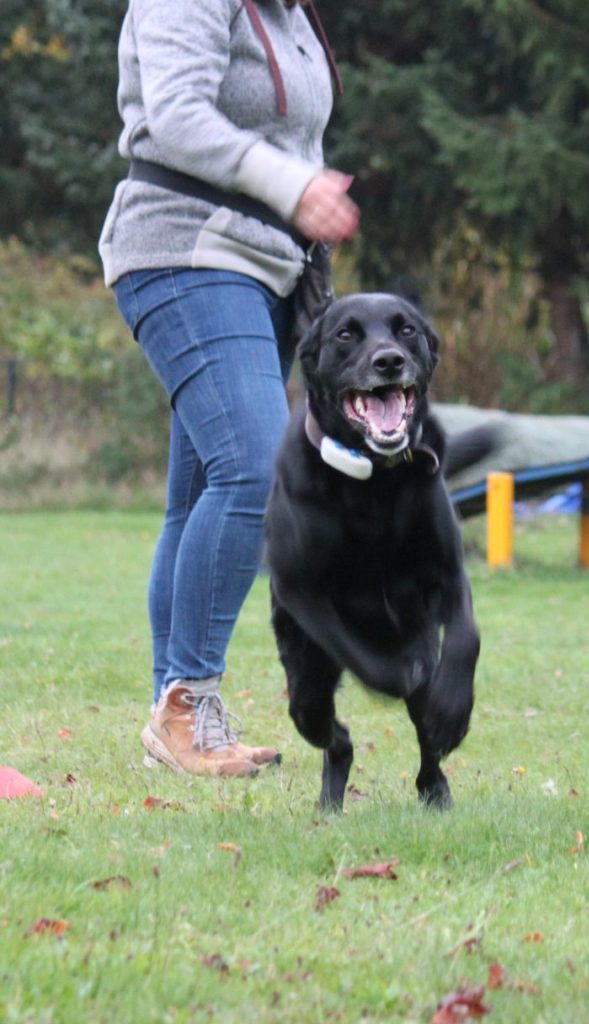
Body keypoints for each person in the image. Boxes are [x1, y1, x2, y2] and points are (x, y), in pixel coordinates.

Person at [99, 0, 359, 777]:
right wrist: (292, 185)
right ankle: (188, 709)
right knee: (254, 470)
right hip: (186, 250)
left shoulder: (291, 13)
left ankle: (171, 722)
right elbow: (176, 115)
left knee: (200, 495)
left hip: (266, 267)